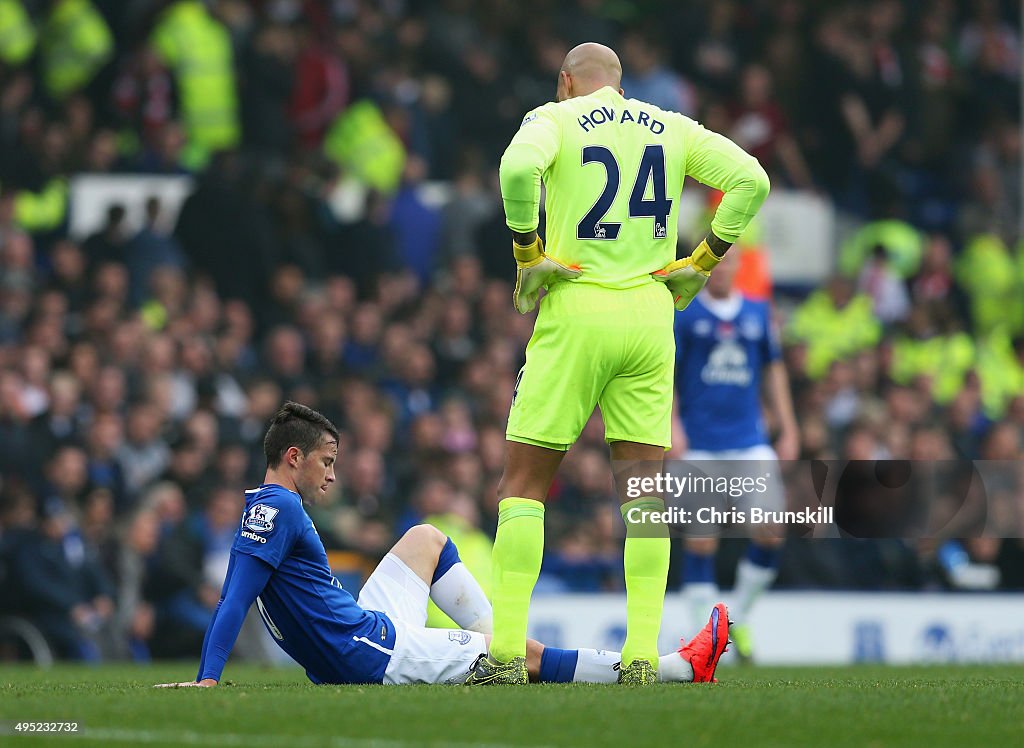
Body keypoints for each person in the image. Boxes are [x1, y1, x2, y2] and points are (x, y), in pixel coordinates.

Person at [473, 41, 768, 685]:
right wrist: (701, 262)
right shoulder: (670, 126)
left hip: (577, 305)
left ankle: (502, 656)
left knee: (523, 484)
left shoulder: (552, 120)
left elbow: (517, 172)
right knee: (643, 494)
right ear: (621, 83)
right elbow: (753, 180)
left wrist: (527, 252)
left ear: (566, 81)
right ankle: (640, 655)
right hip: (649, 314)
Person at [156, 402, 731, 688]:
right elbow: (234, 600)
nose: (333, 475)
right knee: (522, 658)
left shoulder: (261, 507)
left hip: (360, 627)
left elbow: (241, 591)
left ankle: (492, 639)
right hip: (369, 654)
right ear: (294, 458)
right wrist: (208, 679)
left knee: (426, 537)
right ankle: (678, 668)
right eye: (327, 463)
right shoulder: (281, 510)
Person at [673, 250, 798, 662]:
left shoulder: (758, 312)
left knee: (771, 528)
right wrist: (672, 423)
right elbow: (666, 370)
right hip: (701, 442)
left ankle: (738, 618)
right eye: (715, 264)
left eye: (728, 263)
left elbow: (774, 369)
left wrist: (788, 425)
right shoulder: (685, 314)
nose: (721, 270)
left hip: (749, 440)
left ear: (737, 267)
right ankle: (702, 639)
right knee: (702, 540)